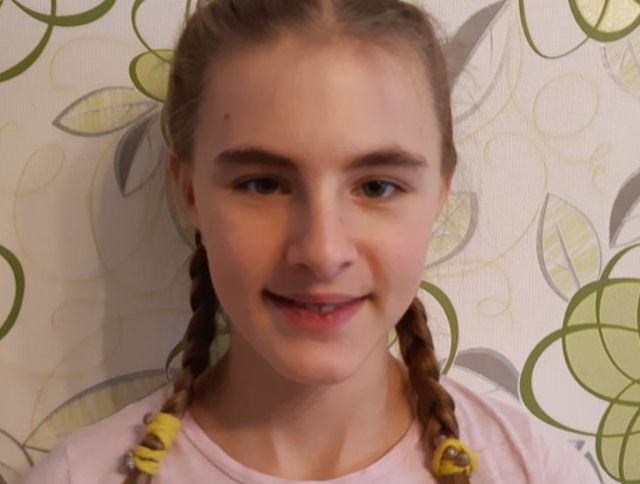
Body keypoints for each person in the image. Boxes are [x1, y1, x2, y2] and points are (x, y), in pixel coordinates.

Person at [21, 1, 597, 483]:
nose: (322, 252)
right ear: (189, 191)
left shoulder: (535, 470)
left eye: (376, 186)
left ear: (440, 193)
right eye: (263, 184)